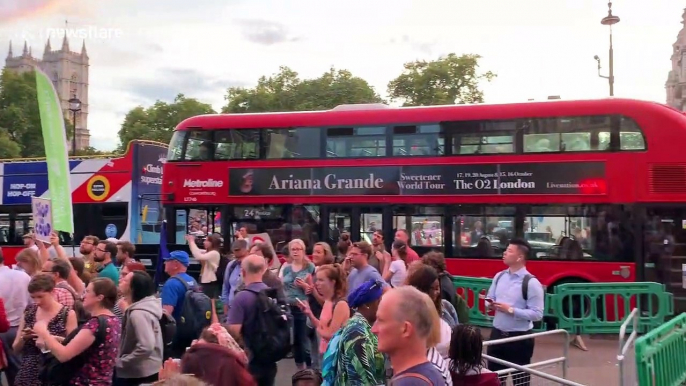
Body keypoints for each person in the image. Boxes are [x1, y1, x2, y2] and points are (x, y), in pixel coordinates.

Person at [34, 277, 122, 385]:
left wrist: (44, 333)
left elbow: (64, 355)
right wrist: (60, 339)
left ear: (99, 297)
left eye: (88, 292)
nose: (83, 296)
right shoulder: (114, 320)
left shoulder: (95, 324)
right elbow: (94, 346)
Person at [485, 238, 544, 386]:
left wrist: (510, 310)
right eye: (506, 250)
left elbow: (537, 314)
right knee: (495, 379)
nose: (504, 253)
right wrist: (489, 304)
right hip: (497, 335)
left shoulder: (531, 283)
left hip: (519, 338)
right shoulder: (499, 276)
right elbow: (489, 297)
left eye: (509, 251)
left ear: (520, 257)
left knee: (520, 380)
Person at [12, 274, 78, 386]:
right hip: (29, 371)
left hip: (54, 370)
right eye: (33, 297)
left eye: (40, 296)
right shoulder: (29, 312)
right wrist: (24, 338)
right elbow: (15, 348)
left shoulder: (67, 314)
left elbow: (74, 347)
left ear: (52, 292)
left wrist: (50, 339)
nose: (37, 301)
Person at [372, 286, 446, 385]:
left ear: (405, 329)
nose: (374, 329)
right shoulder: (429, 374)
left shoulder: (411, 383)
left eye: (381, 321)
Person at [226, 254, 280, 386]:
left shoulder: (241, 298)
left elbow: (233, 333)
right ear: (263, 270)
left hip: (248, 360)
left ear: (243, 272)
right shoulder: (273, 294)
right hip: (270, 358)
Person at [321, 280, 386, 386]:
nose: (382, 306)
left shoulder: (363, 326)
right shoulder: (357, 333)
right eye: (379, 301)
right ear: (367, 305)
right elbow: (360, 379)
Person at [115, 270, 164, 385]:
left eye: (125, 280)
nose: (120, 280)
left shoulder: (138, 314)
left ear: (133, 288)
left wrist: (121, 362)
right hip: (147, 370)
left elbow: (146, 346)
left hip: (139, 374)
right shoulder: (143, 308)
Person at [281, 239, 316, 370]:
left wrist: (305, 285)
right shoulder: (286, 268)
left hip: (302, 306)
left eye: (298, 249)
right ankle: (300, 370)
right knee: (294, 340)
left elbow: (312, 290)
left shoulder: (310, 267)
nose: (295, 252)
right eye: (293, 249)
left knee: (303, 339)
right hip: (288, 307)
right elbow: (283, 286)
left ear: (303, 250)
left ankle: (310, 368)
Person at [160, 250, 198, 358]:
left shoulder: (171, 283)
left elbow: (166, 313)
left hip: (176, 335)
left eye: (168, 261)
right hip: (191, 331)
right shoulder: (192, 281)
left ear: (176, 264)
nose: (164, 263)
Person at [187, 233, 222, 322]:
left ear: (212, 243)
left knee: (210, 304)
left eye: (207, 240)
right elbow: (197, 251)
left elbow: (198, 255)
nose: (204, 242)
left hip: (210, 282)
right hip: (205, 280)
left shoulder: (214, 253)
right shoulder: (209, 252)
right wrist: (191, 242)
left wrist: (191, 241)